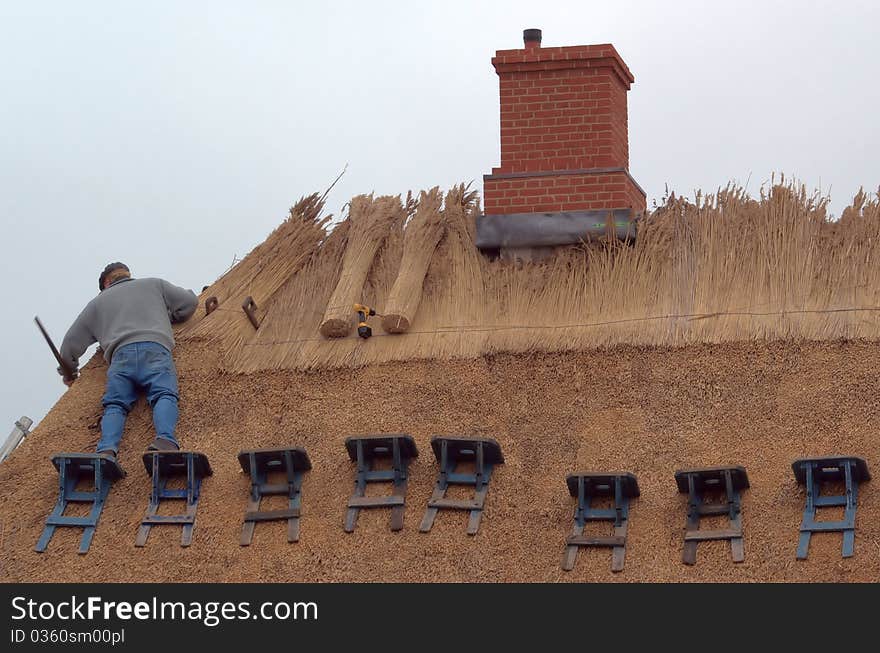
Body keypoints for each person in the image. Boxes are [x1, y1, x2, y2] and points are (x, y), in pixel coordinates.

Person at [59, 262, 198, 459]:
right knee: (163, 394)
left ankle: (106, 449)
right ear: (127, 275)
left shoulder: (97, 304)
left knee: (115, 404)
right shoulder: (154, 284)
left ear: (106, 283)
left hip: (120, 356)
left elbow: (70, 343)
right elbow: (189, 302)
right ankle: (165, 440)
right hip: (155, 348)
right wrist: (171, 317)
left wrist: (69, 372)